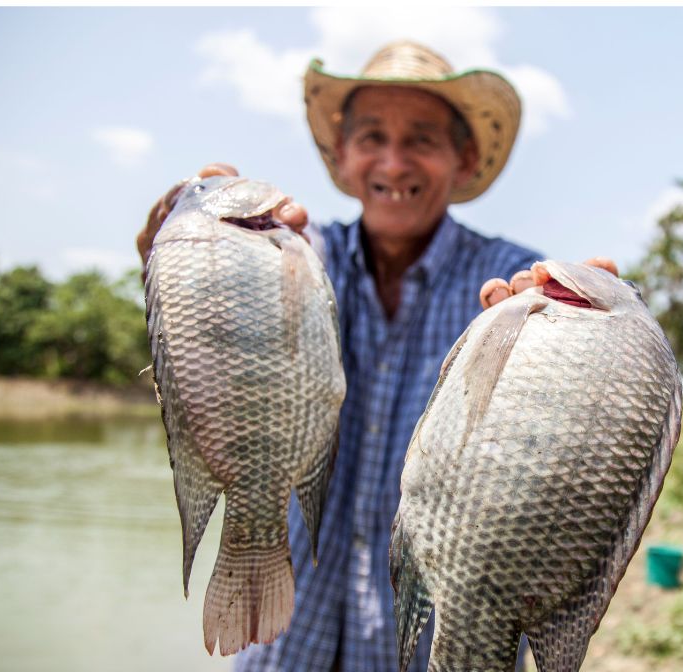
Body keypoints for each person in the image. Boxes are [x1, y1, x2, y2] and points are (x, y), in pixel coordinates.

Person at [137, 41, 615, 671]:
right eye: (371, 136)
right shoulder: (298, 258)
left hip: (435, 650)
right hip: (286, 644)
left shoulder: (509, 284)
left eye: (421, 138)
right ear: (342, 154)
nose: (394, 159)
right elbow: (213, 363)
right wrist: (186, 260)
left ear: (463, 158)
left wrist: (572, 336)